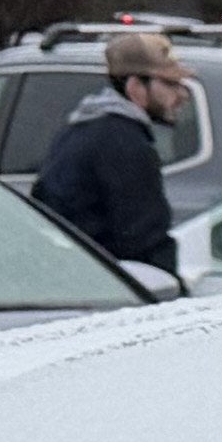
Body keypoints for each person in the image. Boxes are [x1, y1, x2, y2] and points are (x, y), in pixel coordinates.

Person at [27, 28, 192, 270]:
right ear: (135, 87)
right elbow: (145, 243)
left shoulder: (82, 128)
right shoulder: (126, 146)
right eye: (170, 83)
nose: (181, 95)